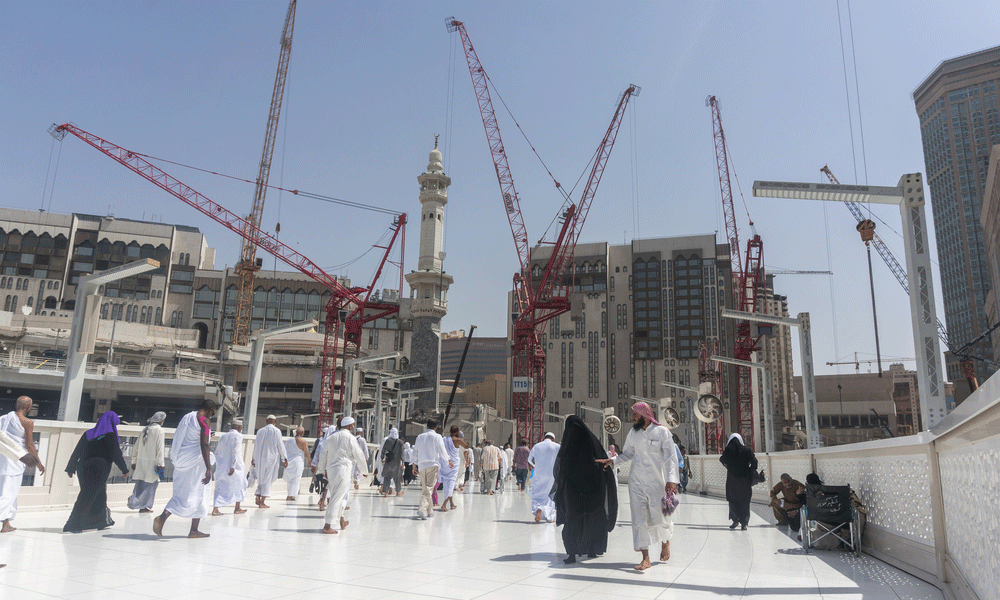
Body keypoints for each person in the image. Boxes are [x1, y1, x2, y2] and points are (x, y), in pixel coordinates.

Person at [599, 401, 679, 571]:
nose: (632, 417)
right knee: (638, 519)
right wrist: (613, 461)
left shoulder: (662, 432)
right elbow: (628, 454)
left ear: (645, 415)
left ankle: (665, 541)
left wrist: (671, 480)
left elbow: (670, 458)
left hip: (656, 483)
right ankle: (645, 557)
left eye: (635, 414)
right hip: (636, 482)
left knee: (660, 516)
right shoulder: (633, 433)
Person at [554, 415, 618, 564]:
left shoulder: (569, 444)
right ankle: (592, 549)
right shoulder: (593, 442)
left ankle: (572, 553)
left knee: (572, 519)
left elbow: (560, 470)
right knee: (593, 518)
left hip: (573, 491)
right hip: (594, 489)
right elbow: (603, 465)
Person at [154, 400, 215, 538]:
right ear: (209, 409)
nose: (211, 415)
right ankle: (194, 530)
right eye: (212, 413)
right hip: (197, 462)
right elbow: (204, 444)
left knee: (180, 495)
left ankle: (162, 517)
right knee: (200, 493)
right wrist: (208, 468)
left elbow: (185, 437)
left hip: (182, 460)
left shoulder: (188, 417)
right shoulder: (204, 420)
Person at [64, 412, 129, 532]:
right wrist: (124, 469)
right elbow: (116, 454)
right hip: (99, 468)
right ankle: (72, 524)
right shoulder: (110, 435)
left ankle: (101, 521)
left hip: (83, 467)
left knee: (99, 494)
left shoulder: (88, 433)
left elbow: (77, 451)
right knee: (87, 495)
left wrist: (71, 467)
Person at [316, 416, 369, 534]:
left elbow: (323, 455)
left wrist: (320, 470)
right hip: (343, 470)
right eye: (353, 425)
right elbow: (359, 455)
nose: (353, 427)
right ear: (349, 426)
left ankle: (341, 520)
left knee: (339, 495)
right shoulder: (350, 438)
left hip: (331, 471)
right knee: (337, 497)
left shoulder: (331, 437)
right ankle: (327, 525)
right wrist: (364, 471)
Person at [0, 396, 45, 533]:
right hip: (14, 462)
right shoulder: (27, 422)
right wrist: (38, 463)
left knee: (9, 494)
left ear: (16, 405)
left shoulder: (3, 418)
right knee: (7, 495)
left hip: (2, 458)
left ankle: (6, 524)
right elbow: (30, 445)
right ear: (29, 407)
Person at [412, 418, 452, 520]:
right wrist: (448, 460)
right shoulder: (437, 437)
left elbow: (415, 451)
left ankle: (430, 511)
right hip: (432, 464)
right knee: (429, 488)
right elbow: (442, 451)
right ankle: (421, 509)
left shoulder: (420, 437)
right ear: (436, 427)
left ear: (427, 426)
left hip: (422, 465)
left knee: (426, 489)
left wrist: (414, 465)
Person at [127, 411, 166, 513]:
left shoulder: (145, 429)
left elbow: (136, 446)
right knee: (151, 486)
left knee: (140, 485)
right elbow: (160, 449)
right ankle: (138, 503)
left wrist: (133, 461)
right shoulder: (159, 430)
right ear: (161, 420)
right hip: (153, 464)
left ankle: (140, 504)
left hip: (141, 463)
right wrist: (161, 464)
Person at [719, 433, 758, 531]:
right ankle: (744, 523)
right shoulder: (746, 450)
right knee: (745, 500)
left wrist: (730, 467)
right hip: (745, 480)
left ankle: (735, 520)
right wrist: (749, 469)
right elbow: (755, 462)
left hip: (732, 480)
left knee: (733, 500)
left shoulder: (728, 450)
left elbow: (722, 459)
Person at [212, 419, 247, 515]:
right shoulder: (238, 436)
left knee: (220, 486)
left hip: (222, 466)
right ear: (239, 427)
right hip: (236, 467)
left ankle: (215, 509)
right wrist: (233, 466)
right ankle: (237, 508)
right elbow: (236, 451)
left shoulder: (223, 436)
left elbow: (217, 451)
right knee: (239, 485)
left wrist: (220, 464)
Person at [252, 415, 287, 508]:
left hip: (260, 458)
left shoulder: (260, 431)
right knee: (268, 479)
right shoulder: (277, 431)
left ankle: (258, 494)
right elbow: (280, 445)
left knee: (261, 477)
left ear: (266, 421)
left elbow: (256, 446)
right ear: (275, 422)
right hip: (271, 458)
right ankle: (262, 501)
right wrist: (284, 458)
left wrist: (253, 458)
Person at [527, 432, 560, 522]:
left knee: (538, 493)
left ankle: (538, 508)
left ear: (544, 437)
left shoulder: (537, 446)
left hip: (539, 473)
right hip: (552, 474)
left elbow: (529, 459)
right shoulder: (557, 446)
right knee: (550, 494)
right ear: (553, 439)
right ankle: (550, 517)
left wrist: (536, 465)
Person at [438, 426, 469, 510]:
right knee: (451, 484)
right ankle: (444, 504)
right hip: (453, 465)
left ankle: (451, 504)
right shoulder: (457, 440)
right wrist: (462, 439)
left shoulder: (444, 439)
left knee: (446, 484)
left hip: (445, 464)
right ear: (457, 432)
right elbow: (466, 446)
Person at [283, 426, 309, 501]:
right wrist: (310, 463)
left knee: (290, 479)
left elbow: (284, 451)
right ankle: (292, 495)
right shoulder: (303, 441)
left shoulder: (289, 440)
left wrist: (284, 460)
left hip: (289, 462)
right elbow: (306, 453)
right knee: (296, 479)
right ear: (302, 432)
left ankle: (289, 494)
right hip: (298, 462)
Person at [379, 428, 405, 497]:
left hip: (388, 461)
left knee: (387, 477)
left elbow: (383, 450)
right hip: (396, 462)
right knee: (397, 477)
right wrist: (403, 462)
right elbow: (402, 453)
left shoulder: (387, 441)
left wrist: (382, 458)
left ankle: (386, 492)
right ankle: (398, 492)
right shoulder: (400, 442)